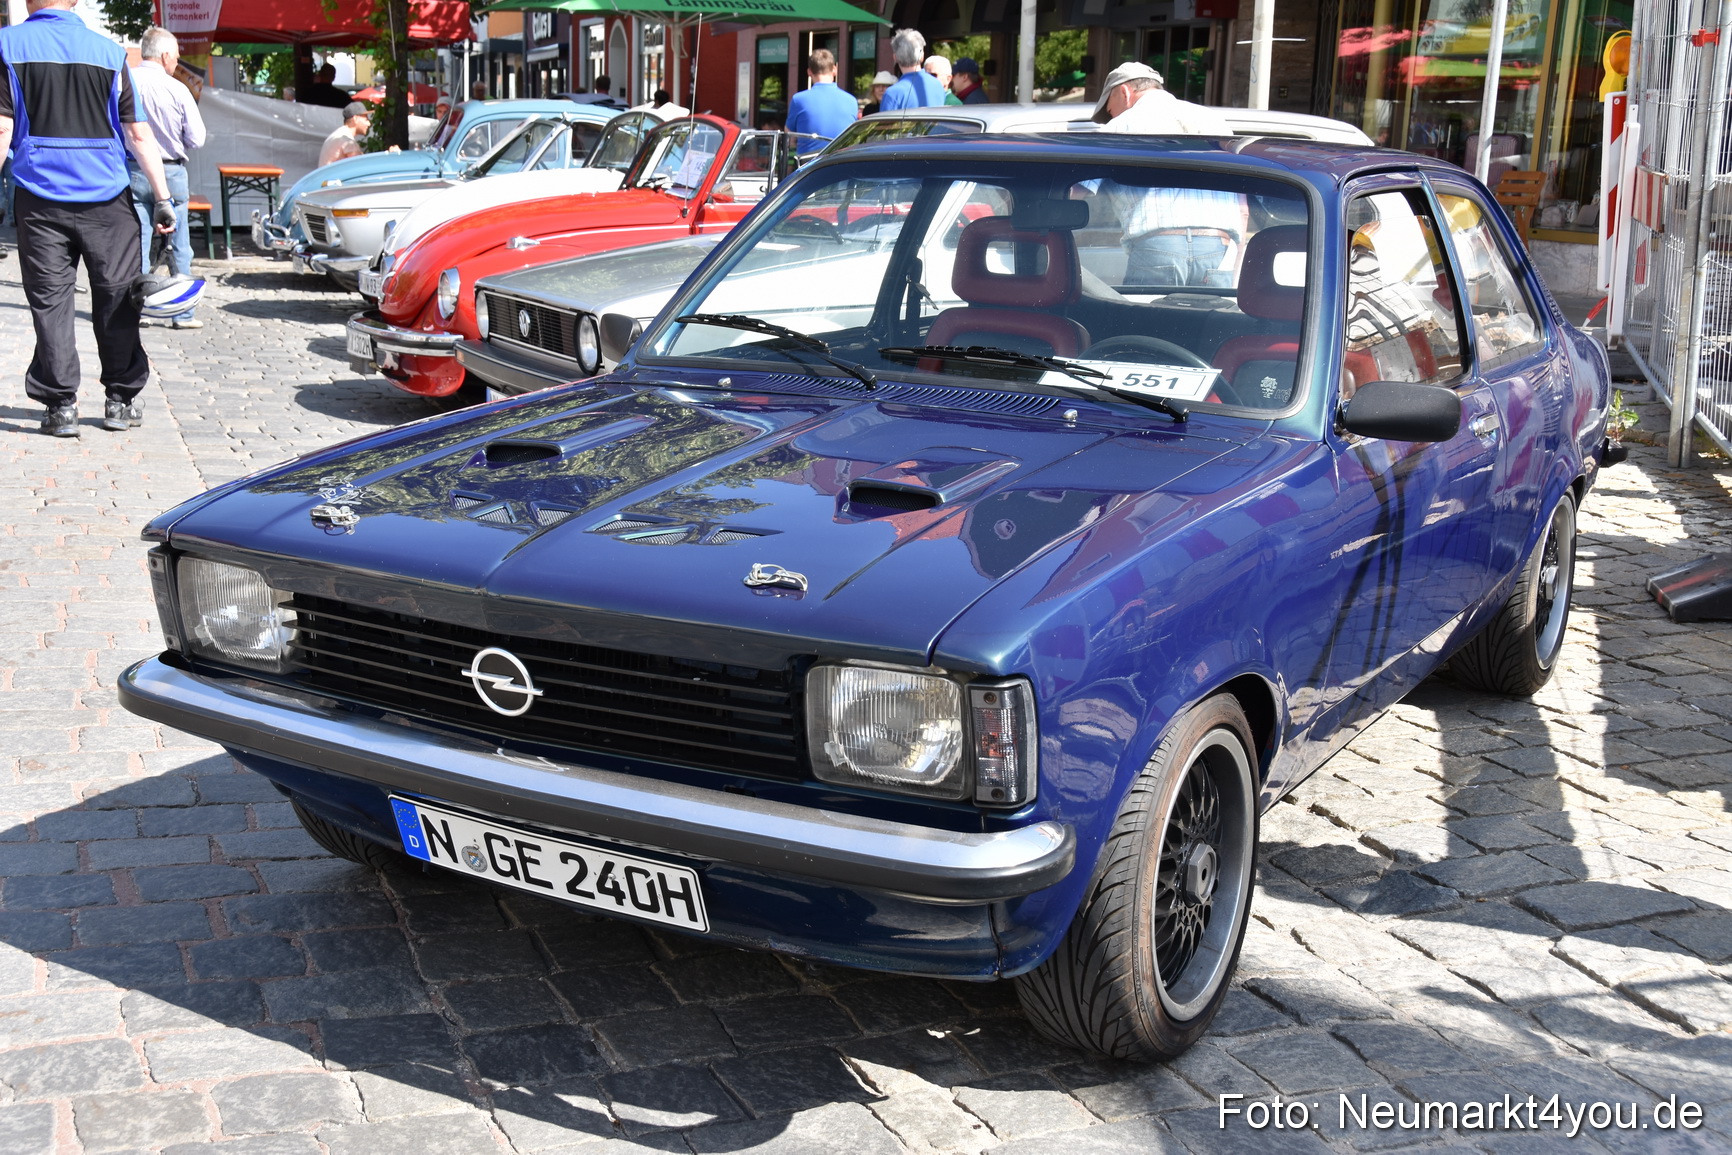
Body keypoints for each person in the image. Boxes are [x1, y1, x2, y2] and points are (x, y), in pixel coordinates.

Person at [0, 0, 175, 437]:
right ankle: (120, 400)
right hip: (107, 197)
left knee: (51, 301)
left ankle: (60, 406)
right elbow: (137, 132)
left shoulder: (7, 45)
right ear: (76, 1)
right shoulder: (110, 52)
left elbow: (2, 129)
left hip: (39, 198)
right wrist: (163, 196)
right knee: (117, 298)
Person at [1090, 64, 1245, 288]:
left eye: (1110, 110)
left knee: (1148, 323)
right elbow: (1242, 208)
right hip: (1217, 247)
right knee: (1211, 322)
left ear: (1124, 92)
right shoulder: (1214, 120)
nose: (1110, 117)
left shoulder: (1119, 126)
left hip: (1156, 246)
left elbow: (1077, 190)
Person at [128, 26, 204, 330]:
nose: (177, 62)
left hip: (132, 169)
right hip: (171, 171)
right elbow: (197, 138)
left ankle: (139, 310)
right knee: (180, 243)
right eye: (175, 57)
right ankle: (182, 314)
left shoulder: (125, 82)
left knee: (138, 243)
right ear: (164, 55)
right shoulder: (177, 88)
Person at [785, 49, 857, 156]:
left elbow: (789, 136)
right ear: (834, 70)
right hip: (843, 163)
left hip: (810, 167)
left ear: (809, 72)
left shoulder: (798, 100)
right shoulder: (852, 101)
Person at [879, 29, 946, 111]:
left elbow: (885, 124)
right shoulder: (938, 85)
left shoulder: (893, 94)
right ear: (922, 56)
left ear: (895, 58)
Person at [319, 101, 371, 167]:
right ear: (356, 119)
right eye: (366, 119)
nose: (369, 124)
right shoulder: (347, 141)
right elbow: (360, 167)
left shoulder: (339, 134)